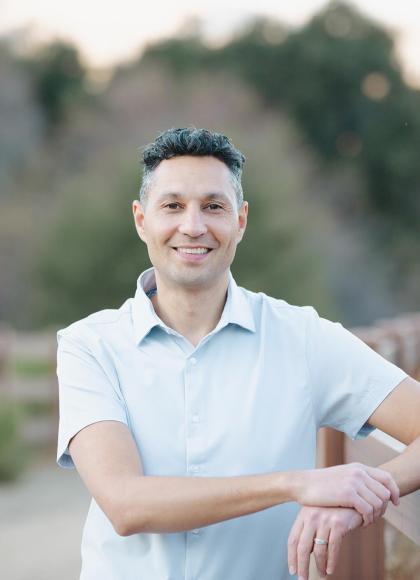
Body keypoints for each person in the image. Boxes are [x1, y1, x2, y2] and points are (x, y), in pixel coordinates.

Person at [56, 127, 420, 580]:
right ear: (141, 219)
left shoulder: (303, 338)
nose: (193, 226)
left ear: (241, 221)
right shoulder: (89, 345)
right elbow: (126, 504)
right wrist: (295, 484)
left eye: (214, 206)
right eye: (172, 206)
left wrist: (359, 496)